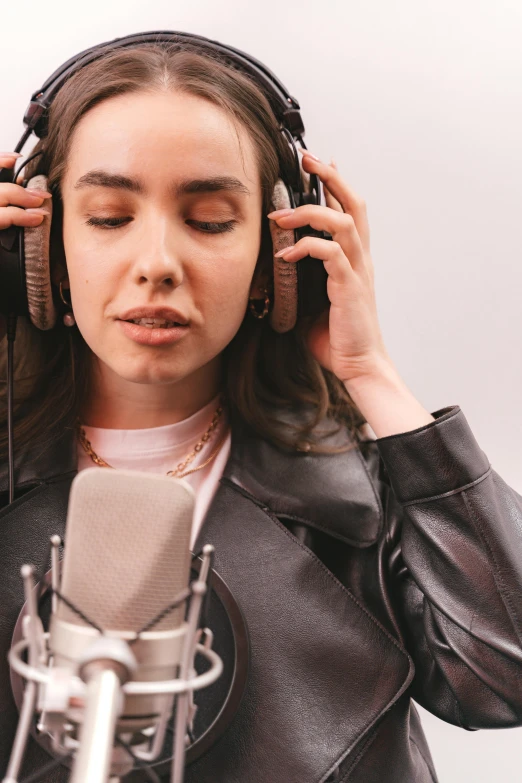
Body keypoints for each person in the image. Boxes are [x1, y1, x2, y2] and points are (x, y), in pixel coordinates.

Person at [1, 39, 522, 783]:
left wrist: (371, 374)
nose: (156, 262)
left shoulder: (362, 507)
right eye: (110, 216)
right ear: (39, 251)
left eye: (210, 220)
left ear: (277, 257)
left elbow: (506, 673)